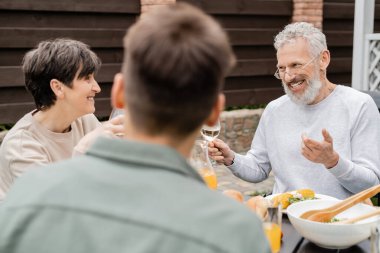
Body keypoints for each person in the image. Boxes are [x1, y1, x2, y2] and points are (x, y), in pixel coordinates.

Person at [0, 3, 270, 253]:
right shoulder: (240, 231)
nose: (96, 87)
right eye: (88, 79)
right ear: (214, 111)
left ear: (120, 93)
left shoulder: (75, 132)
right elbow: (58, 213)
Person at [209, 22, 380, 200]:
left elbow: (371, 185)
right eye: (282, 68)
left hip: (336, 222)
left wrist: (333, 162)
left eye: (296, 65)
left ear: (323, 59)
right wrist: (231, 158)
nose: (288, 76)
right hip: (284, 217)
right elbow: (258, 168)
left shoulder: (359, 105)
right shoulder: (274, 110)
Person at [0, 38, 123, 202]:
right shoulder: (22, 147)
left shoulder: (84, 120)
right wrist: (82, 153)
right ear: (58, 87)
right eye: (87, 78)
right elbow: (55, 208)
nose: (97, 87)